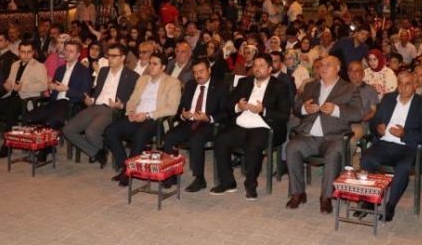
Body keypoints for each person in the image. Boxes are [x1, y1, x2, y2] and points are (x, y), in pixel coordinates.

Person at [285, 56, 363, 213]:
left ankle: (326, 197)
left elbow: (358, 113)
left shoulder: (349, 88)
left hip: (334, 136)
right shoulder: (310, 86)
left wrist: (336, 110)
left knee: (334, 152)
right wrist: (303, 109)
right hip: (309, 136)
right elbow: (296, 107)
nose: (324, 68)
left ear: (338, 68)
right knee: (292, 147)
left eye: (328, 65)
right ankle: (298, 193)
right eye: (321, 65)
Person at [211, 54, 291, 199]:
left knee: (253, 145)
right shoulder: (244, 82)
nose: (257, 69)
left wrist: (263, 110)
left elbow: (284, 115)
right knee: (221, 139)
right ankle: (228, 181)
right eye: (255, 65)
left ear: (270, 69)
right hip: (241, 124)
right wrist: (238, 107)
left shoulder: (280, 86)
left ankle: (251, 184)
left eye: (261, 66)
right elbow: (227, 104)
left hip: (264, 126)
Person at [359, 70, 422, 221]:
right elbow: (374, 122)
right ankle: (369, 200)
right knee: (366, 159)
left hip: (405, 147)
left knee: (402, 168)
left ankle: (390, 205)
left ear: (415, 85)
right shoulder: (388, 99)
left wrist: (404, 134)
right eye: (400, 84)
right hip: (384, 143)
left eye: (408, 84)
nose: (404, 87)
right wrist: (377, 128)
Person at [104, 53, 181, 187]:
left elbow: (172, 109)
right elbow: (132, 100)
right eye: (150, 63)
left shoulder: (172, 83)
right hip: (137, 116)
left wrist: (148, 115)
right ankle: (126, 166)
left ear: (163, 67)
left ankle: (128, 172)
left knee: (140, 134)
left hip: (156, 120)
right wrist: (131, 111)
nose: (151, 66)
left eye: (155, 64)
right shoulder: (143, 79)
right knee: (110, 131)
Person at [63, 44, 139, 169]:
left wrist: (121, 105)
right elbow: (98, 92)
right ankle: (98, 152)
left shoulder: (132, 76)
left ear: (123, 58)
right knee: (68, 130)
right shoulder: (103, 71)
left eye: (114, 56)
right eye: (109, 55)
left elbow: (134, 99)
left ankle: (100, 148)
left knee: (91, 132)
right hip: (95, 106)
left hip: (112, 110)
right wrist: (91, 100)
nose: (110, 58)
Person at [162, 57, 230, 192]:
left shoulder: (220, 86)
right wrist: (183, 115)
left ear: (209, 70)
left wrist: (208, 118)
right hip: (189, 122)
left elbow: (226, 113)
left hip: (208, 125)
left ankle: (200, 178)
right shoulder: (190, 85)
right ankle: (171, 174)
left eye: (201, 71)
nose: (198, 75)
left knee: (196, 139)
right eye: (195, 72)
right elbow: (181, 109)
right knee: (169, 136)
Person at [0, 40, 48, 157]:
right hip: (12, 96)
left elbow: (43, 85)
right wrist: (7, 83)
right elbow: (10, 80)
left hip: (27, 99)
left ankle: (7, 145)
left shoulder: (39, 66)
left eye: (29, 52)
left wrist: (23, 87)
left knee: (10, 112)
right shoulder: (15, 64)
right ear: (19, 52)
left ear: (33, 52)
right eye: (23, 52)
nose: (26, 54)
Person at [23, 41, 91, 158]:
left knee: (51, 121)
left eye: (71, 51)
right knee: (28, 117)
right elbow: (54, 88)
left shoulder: (83, 71)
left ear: (78, 55)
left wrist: (66, 89)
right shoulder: (60, 69)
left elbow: (84, 95)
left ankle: (46, 150)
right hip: (54, 103)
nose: (67, 53)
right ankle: (43, 145)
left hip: (71, 105)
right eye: (66, 50)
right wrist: (52, 87)